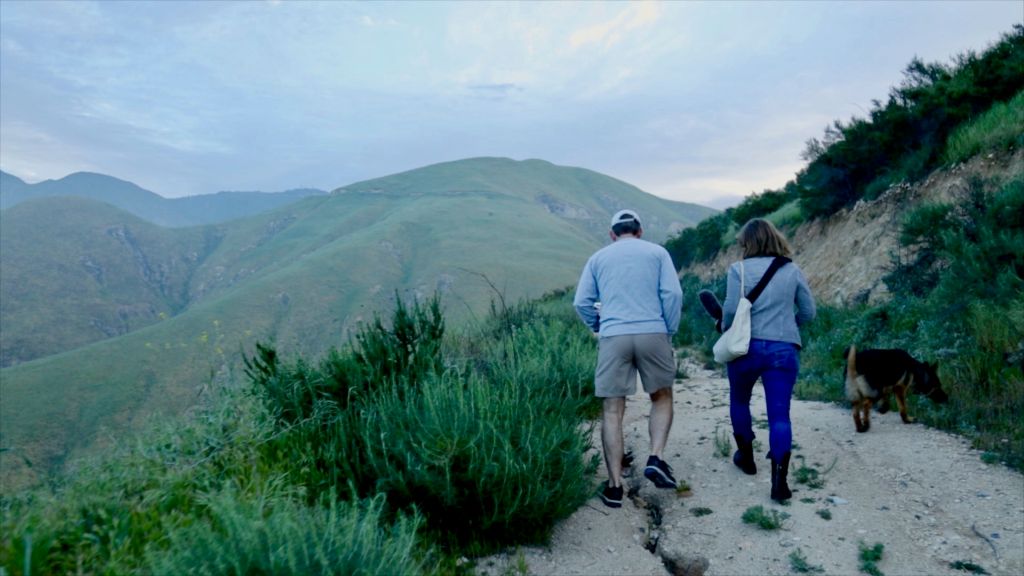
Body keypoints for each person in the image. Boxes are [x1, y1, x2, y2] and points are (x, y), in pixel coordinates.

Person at [573, 209, 684, 509]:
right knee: (661, 397)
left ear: (612, 234)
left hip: (614, 336)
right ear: (640, 230)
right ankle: (656, 457)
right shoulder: (658, 253)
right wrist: (668, 330)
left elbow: (581, 302)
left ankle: (614, 488)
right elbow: (672, 295)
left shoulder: (598, 258)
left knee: (612, 410)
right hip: (652, 331)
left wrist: (598, 325)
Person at [718, 218, 815, 502]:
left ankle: (746, 459)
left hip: (745, 348)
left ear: (748, 243)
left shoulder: (738, 270)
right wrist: (788, 326)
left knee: (739, 401)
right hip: (783, 349)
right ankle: (779, 482)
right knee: (779, 414)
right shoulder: (792, 270)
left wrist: (725, 328)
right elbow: (809, 312)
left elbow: (729, 310)